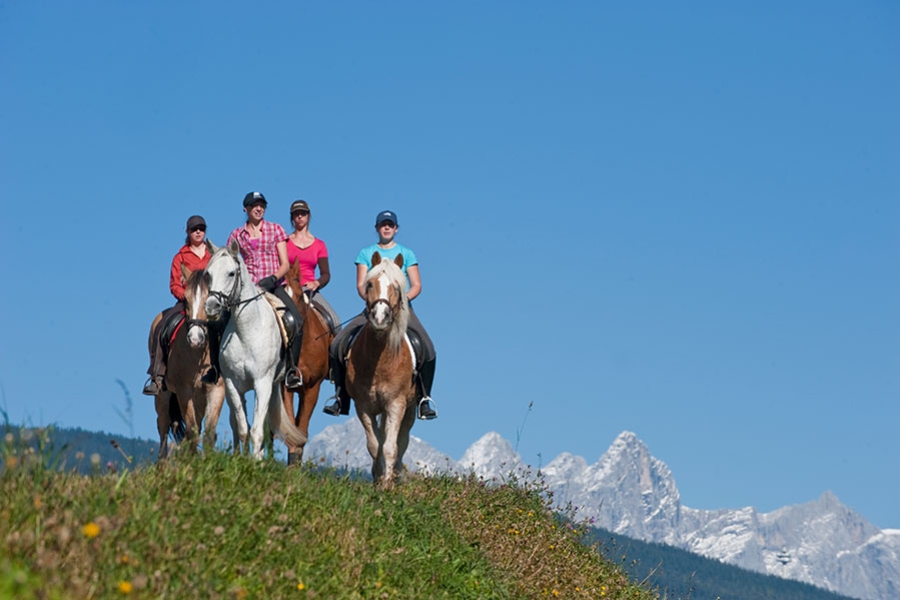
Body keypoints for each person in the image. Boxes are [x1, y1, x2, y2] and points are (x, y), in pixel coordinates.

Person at [323, 209, 437, 420]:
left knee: (427, 348)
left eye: (390, 224)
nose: (386, 228)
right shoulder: (366, 254)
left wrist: (401, 301)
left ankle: (424, 398)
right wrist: (374, 303)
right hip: (373, 307)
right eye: (383, 224)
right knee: (338, 343)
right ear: (377, 228)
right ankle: (341, 396)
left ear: (396, 228)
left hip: (401, 309)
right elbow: (360, 285)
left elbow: (417, 285)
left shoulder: (407, 254)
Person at [225, 191, 303, 389]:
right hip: (247, 291)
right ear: (246, 209)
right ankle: (217, 367)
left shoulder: (275, 229)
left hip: (273, 285)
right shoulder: (236, 235)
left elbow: (285, 263)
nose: (259, 209)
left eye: (262, 205)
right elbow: (230, 262)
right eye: (254, 205)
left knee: (295, 319)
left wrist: (273, 279)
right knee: (221, 321)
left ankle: (291, 369)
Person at [142, 215, 213, 395]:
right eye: (194, 229)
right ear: (187, 232)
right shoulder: (180, 257)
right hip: (187, 302)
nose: (198, 232)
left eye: (201, 229)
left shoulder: (212, 256)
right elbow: (174, 284)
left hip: (209, 302)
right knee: (162, 325)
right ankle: (157, 375)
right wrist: (188, 297)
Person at [285, 199, 341, 333]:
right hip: (288, 289)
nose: (300, 216)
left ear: (308, 216)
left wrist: (317, 283)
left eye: (303, 213)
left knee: (336, 322)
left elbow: (326, 274)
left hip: (310, 290)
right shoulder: (285, 242)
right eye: (296, 214)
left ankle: (333, 354)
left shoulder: (319, 245)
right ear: (292, 217)